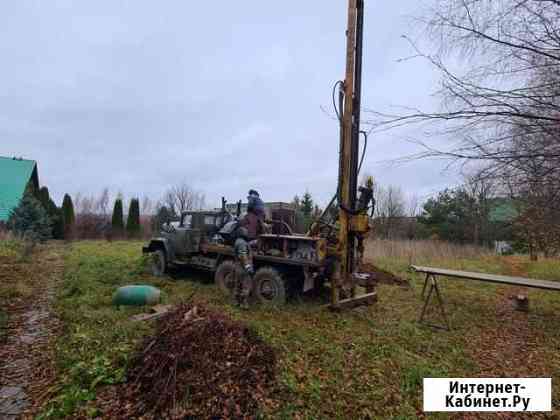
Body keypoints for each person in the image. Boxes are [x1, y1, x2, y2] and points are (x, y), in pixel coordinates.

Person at [233, 226, 254, 309]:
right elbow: (243, 255)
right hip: (243, 268)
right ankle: (243, 304)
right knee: (246, 286)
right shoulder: (242, 243)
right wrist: (248, 267)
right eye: (246, 232)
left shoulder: (238, 241)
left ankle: (236, 302)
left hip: (238, 266)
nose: (247, 234)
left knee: (238, 285)